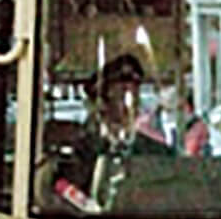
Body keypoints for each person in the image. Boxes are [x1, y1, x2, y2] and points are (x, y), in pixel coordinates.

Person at [50, 52, 170, 210]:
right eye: (121, 94)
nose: (131, 103)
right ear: (102, 102)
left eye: (135, 93)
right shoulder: (79, 154)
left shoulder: (158, 153)